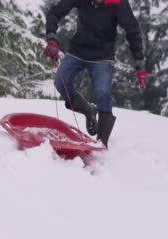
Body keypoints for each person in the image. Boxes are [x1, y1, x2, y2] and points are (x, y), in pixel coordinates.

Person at [42, 0, 148, 148]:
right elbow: (54, 12)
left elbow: (132, 30)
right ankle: (87, 110)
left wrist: (139, 63)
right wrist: (52, 38)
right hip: (78, 51)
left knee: (103, 93)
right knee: (60, 81)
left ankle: (102, 142)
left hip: (103, 56)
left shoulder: (118, 2)